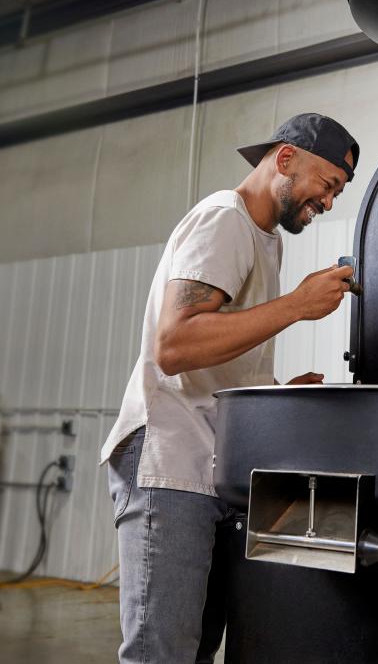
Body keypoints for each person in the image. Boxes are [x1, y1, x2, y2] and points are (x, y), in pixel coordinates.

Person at [99, 113, 360, 663]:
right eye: (327, 185)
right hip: (169, 461)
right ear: (285, 159)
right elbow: (175, 345)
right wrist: (296, 307)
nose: (329, 202)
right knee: (161, 653)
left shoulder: (265, 240)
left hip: (210, 464)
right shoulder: (224, 218)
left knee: (195, 650)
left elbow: (221, 354)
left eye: (337, 192)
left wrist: (275, 390)